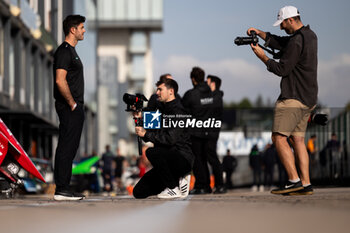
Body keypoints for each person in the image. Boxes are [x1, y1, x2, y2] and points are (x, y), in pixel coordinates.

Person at [247, 5, 318, 196]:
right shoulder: (309, 36)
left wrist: (263, 58)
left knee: (278, 137)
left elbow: (282, 70)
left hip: (293, 97)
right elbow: (281, 42)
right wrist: (261, 33)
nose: (281, 27)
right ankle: (306, 183)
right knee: (298, 140)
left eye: (282, 23)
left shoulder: (296, 42)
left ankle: (293, 181)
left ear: (290, 20)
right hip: (309, 98)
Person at [132, 78, 194, 199]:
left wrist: (146, 134)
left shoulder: (179, 111)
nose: (157, 92)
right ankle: (174, 181)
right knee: (139, 192)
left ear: (171, 91)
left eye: (160, 89)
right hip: (167, 162)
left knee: (150, 152)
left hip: (182, 158)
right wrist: (139, 119)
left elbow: (170, 139)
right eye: (157, 89)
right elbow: (149, 136)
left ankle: (173, 187)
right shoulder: (160, 110)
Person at [53, 15, 86, 201]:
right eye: (81, 27)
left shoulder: (71, 51)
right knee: (66, 146)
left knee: (70, 147)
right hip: (69, 107)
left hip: (74, 106)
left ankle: (64, 187)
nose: (84, 30)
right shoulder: (64, 51)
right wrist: (72, 103)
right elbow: (60, 80)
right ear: (72, 30)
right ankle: (62, 189)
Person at [182, 67, 214, 195]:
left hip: (195, 131)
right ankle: (206, 185)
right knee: (204, 159)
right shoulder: (211, 94)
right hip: (209, 130)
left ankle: (201, 185)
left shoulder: (191, 94)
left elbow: (182, 110)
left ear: (193, 79)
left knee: (196, 159)